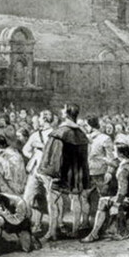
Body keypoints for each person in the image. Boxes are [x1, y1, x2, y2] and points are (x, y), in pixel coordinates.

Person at [36, 103, 90, 241]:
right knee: (76, 198)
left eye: (63, 109)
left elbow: (54, 156)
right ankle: (76, 230)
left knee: (52, 199)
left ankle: (51, 232)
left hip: (61, 173)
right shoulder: (82, 133)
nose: (61, 110)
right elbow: (84, 158)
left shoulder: (60, 132)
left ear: (66, 113)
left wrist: (47, 172)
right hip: (77, 172)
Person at [81, 144, 129, 243]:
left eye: (114, 151)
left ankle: (94, 234)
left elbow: (122, 191)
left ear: (119, 153)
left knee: (102, 201)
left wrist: (117, 203)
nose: (113, 152)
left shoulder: (123, 170)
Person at [22, 110, 55, 233]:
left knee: (51, 199)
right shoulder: (35, 134)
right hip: (35, 169)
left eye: (40, 118)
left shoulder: (54, 134)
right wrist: (33, 156)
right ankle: (28, 225)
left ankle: (54, 228)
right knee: (28, 198)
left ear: (45, 119)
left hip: (49, 170)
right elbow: (25, 149)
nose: (38, 120)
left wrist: (41, 146)